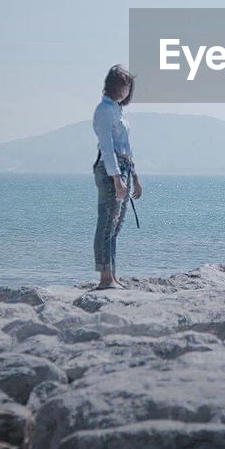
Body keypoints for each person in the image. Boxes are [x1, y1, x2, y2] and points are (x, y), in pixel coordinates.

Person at [92, 64, 143, 290]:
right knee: (106, 223)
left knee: (115, 225)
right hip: (109, 169)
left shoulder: (118, 110)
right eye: (123, 84)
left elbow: (126, 147)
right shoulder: (104, 110)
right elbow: (107, 146)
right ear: (112, 85)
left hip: (124, 167)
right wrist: (116, 177)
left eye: (129, 85)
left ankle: (112, 275)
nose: (126, 89)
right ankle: (105, 277)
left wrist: (135, 177)